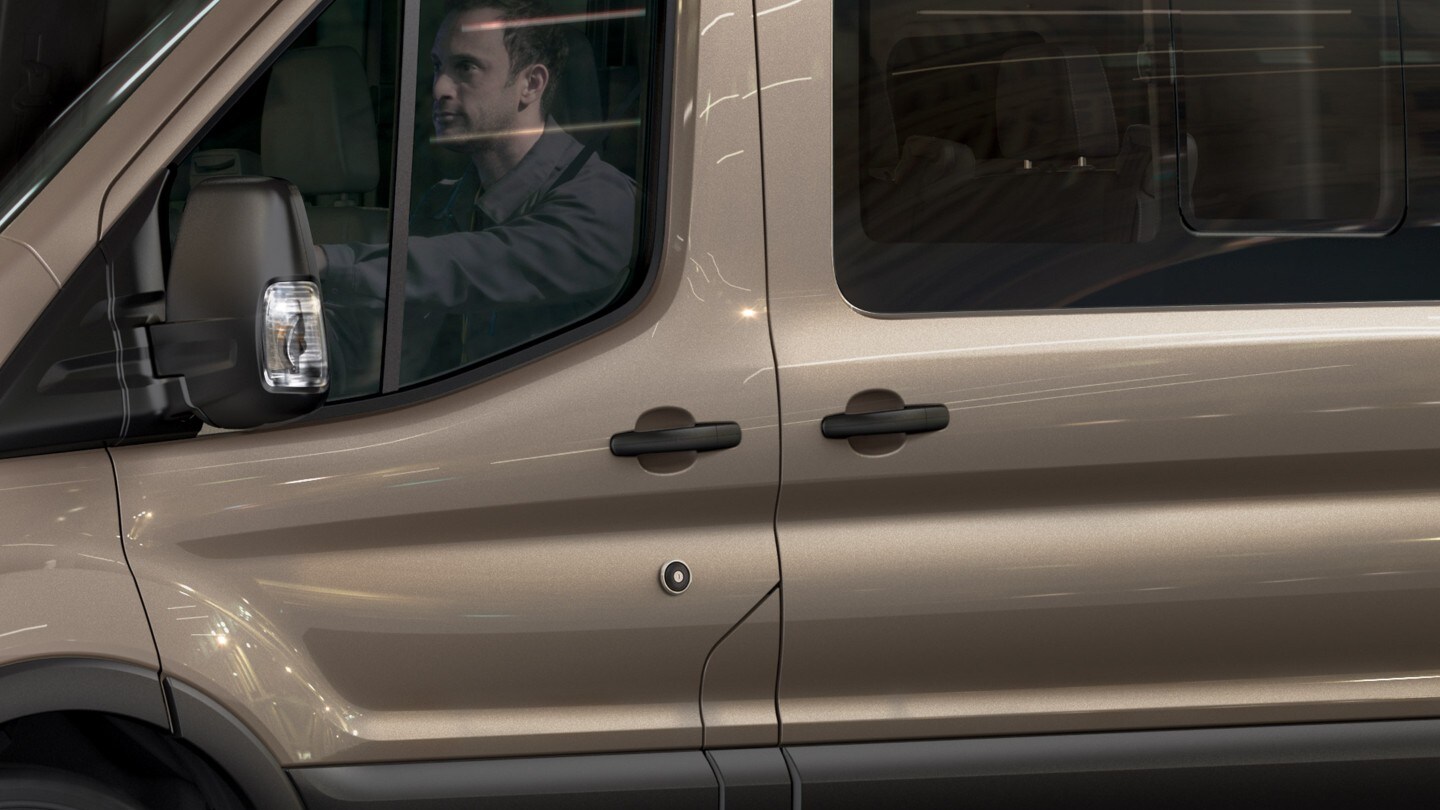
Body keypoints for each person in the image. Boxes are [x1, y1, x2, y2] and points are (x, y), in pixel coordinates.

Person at [318, 0, 637, 389]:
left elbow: (474, 265)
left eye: (465, 67)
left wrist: (322, 263)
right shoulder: (443, 204)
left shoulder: (603, 205)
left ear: (531, 84)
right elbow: (385, 347)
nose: (439, 88)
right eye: (438, 66)